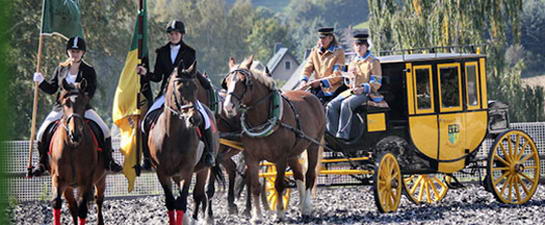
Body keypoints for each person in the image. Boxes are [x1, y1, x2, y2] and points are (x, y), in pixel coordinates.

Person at [29, 36, 122, 177]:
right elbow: (52, 89)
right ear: (68, 52)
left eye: (77, 51)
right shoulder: (61, 68)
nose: (74, 54)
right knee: (41, 132)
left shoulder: (89, 70)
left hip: (82, 109)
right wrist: (41, 81)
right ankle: (41, 163)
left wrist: (79, 103)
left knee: (105, 130)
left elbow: (90, 91)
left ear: (83, 53)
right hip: (61, 108)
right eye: (72, 51)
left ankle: (109, 161)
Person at [137, 20, 215, 168]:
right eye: (171, 34)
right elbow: (158, 77)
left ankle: (209, 153)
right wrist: (146, 73)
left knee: (204, 117)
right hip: (166, 94)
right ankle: (147, 158)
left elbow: (191, 74)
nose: (173, 36)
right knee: (145, 121)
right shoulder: (161, 52)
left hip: (186, 95)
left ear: (181, 35)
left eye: (176, 33)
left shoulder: (190, 52)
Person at [326, 33, 382, 140]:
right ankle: (332, 135)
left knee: (346, 104)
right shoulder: (353, 62)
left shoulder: (373, 62)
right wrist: (348, 77)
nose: (359, 48)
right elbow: (348, 82)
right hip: (352, 91)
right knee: (331, 105)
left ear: (366, 46)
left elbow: (377, 82)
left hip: (367, 93)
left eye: (361, 45)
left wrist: (362, 88)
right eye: (357, 45)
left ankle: (343, 134)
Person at [299, 27, 346, 103]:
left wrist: (321, 82)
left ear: (330, 38)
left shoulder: (339, 52)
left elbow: (338, 75)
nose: (321, 40)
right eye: (320, 38)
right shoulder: (315, 51)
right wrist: (303, 81)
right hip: (317, 88)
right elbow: (308, 68)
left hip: (333, 89)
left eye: (324, 38)